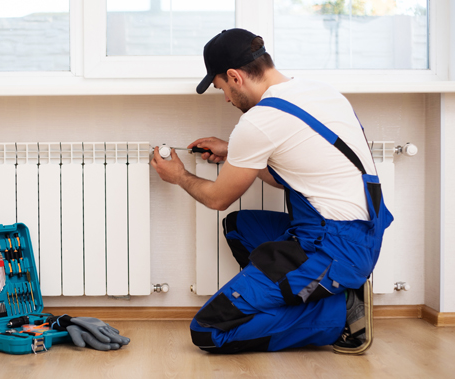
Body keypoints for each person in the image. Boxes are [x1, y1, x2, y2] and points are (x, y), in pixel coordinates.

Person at [150, 28, 393, 354]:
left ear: (235, 77)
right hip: (360, 236)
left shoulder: (259, 121)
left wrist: (179, 176)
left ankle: (340, 314)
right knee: (238, 226)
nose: (225, 98)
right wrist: (232, 152)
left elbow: (217, 198)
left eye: (222, 88)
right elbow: (288, 175)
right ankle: (312, 293)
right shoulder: (322, 93)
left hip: (331, 249)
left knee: (208, 332)